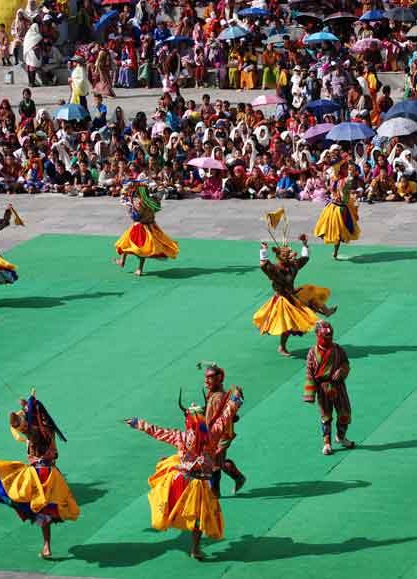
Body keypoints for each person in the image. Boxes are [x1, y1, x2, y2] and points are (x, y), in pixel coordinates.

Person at [124, 386, 243, 561]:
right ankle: (195, 548)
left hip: (181, 480)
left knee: (175, 497)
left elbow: (158, 432)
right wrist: (236, 399)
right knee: (198, 518)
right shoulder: (213, 433)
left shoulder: (181, 437)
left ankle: (181, 531)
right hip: (200, 484)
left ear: (188, 421)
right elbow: (226, 416)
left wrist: (137, 423)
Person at [0, 392, 79, 559]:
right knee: (42, 512)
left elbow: (20, 424)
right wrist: (26, 407)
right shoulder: (46, 428)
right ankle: (47, 547)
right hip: (51, 476)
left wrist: (18, 416)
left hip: (37, 474)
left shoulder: (37, 431)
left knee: (4, 480)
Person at [255, 210, 335, 356]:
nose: (292, 254)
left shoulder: (292, 265)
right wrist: (263, 251)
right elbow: (263, 265)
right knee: (287, 326)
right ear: (281, 257)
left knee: (310, 291)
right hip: (283, 300)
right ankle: (282, 347)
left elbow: (305, 258)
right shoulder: (276, 270)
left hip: (293, 294)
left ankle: (326, 311)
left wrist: (305, 243)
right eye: (288, 254)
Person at [303, 321, 354, 456]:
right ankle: (326, 443)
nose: (329, 338)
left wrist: (342, 370)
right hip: (323, 389)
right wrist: (309, 394)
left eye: (330, 336)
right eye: (326, 336)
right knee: (326, 416)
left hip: (338, 386)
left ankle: (341, 437)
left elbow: (346, 363)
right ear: (318, 336)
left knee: (345, 413)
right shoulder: (312, 353)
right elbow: (309, 373)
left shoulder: (338, 350)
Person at [200, 362, 246, 497]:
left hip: (220, 436)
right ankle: (238, 478)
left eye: (210, 377)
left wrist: (222, 442)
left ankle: (215, 494)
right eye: (206, 377)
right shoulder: (214, 394)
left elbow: (226, 417)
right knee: (217, 462)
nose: (206, 380)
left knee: (214, 464)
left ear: (219, 378)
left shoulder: (218, 396)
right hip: (215, 435)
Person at [113, 181, 179, 276]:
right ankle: (133, 266)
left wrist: (130, 207)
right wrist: (161, 187)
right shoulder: (154, 200)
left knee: (129, 244)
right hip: (151, 226)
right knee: (142, 247)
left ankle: (127, 264)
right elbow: (161, 194)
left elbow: (136, 217)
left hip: (140, 227)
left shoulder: (140, 203)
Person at [313, 160, 361, 260]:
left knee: (337, 232)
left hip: (334, 207)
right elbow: (344, 195)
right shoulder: (343, 180)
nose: (347, 170)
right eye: (345, 168)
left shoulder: (335, 179)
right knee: (338, 232)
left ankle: (335, 252)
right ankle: (335, 252)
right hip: (339, 209)